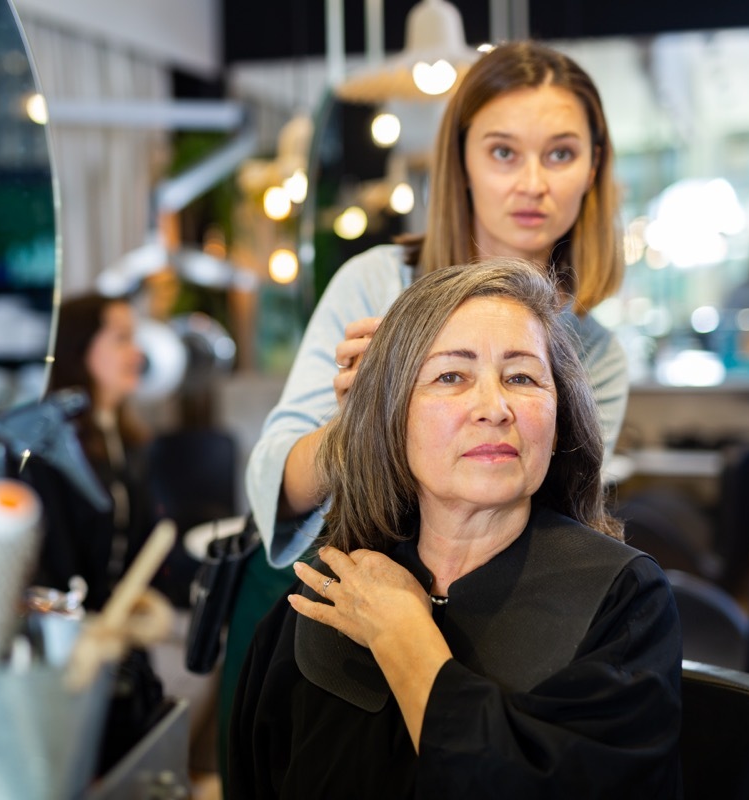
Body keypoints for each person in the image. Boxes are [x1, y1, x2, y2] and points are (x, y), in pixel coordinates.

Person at [221, 40, 631, 757]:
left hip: (493, 622)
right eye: (504, 153)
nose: (532, 183)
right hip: (322, 600)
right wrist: (364, 415)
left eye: (561, 154)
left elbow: (560, 514)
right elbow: (275, 484)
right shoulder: (374, 283)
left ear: (594, 166)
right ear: (462, 162)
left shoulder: (593, 354)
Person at [228, 259, 682, 798]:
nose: (494, 408)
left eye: (521, 377)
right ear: (390, 415)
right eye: (450, 376)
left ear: (560, 416)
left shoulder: (621, 602)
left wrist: (406, 639)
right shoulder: (322, 603)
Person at [23, 293, 158, 611]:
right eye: (121, 338)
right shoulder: (47, 449)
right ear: (78, 348)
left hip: (118, 630)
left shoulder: (124, 439)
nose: (137, 353)